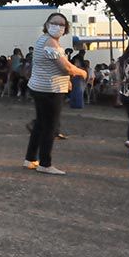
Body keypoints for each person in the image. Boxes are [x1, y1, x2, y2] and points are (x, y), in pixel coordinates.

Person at [23, 13, 88, 175]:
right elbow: (66, 67)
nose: (58, 27)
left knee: (40, 124)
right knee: (50, 127)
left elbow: (54, 66)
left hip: (40, 87)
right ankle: (45, 164)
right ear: (47, 24)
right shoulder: (50, 43)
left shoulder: (43, 40)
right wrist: (82, 72)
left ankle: (30, 159)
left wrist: (67, 79)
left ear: (65, 28)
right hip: (50, 90)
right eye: (54, 23)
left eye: (61, 24)